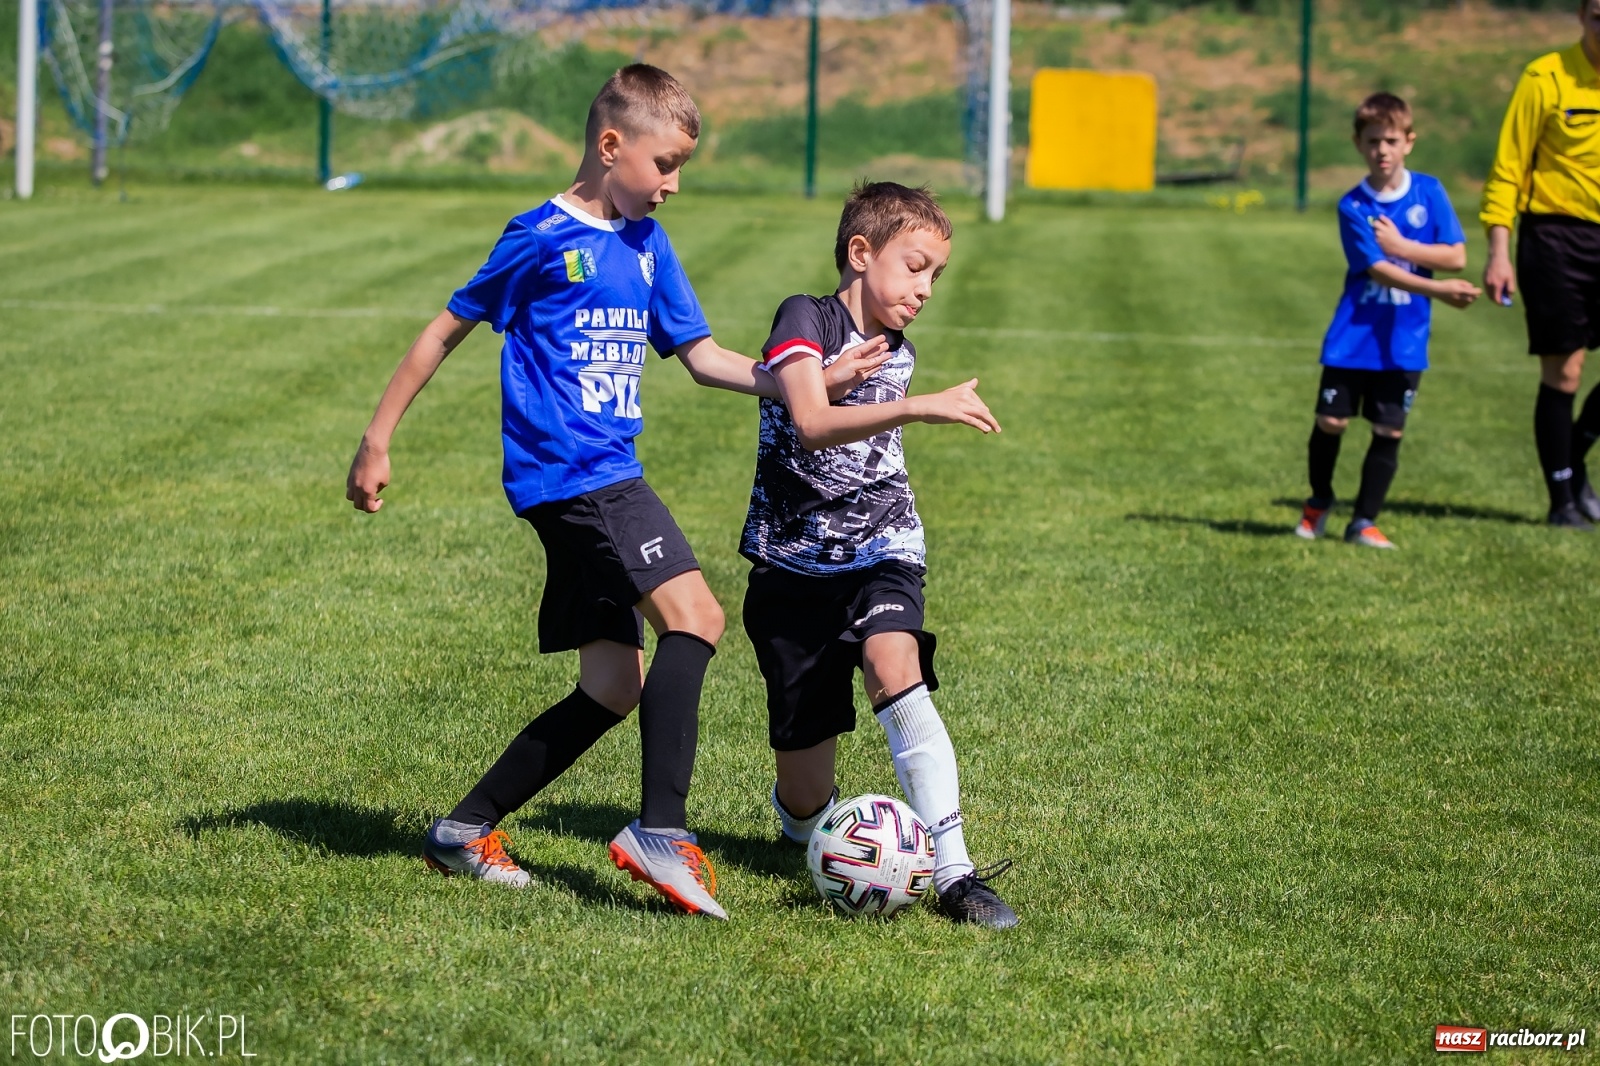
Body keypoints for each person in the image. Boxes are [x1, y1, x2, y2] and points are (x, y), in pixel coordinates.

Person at [344, 65, 885, 920]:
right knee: (697, 617)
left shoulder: (646, 246)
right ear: (611, 146)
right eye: (664, 165)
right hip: (579, 476)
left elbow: (704, 359)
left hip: (593, 479)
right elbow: (445, 329)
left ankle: (462, 829)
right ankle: (662, 833)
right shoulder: (534, 237)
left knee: (612, 686)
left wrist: (803, 378)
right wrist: (377, 438)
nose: (672, 186)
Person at [739, 181, 1018, 929]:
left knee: (895, 663)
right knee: (803, 798)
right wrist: (922, 405)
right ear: (861, 254)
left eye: (936, 275)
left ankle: (956, 872)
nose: (926, 289)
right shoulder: (806, 317)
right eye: (916, 266)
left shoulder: (897, 344)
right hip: (791, 567)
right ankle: (815, 835)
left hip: (883, 549)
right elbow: (809, 422)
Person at [1295, 93, 1480, 549]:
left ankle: (1364, 522)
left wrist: (1404, 248)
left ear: (1409, 142)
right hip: (1352, 337)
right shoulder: (1353, 206)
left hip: (1404, 340)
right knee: (1331, 423)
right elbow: (1376, 268)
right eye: (1373, 140)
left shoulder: (1429, 193)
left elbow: (1456, 255)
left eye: (1391, 140)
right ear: (1358, 143)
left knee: (1389, 429)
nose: (1382, 150)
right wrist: (1436, 287)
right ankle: (1319, 502)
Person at [1481, 0, 1600, 529]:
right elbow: (1508, 168)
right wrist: (1498, 251)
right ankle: (1561, 502)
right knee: (1565, 370)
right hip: (1556, 238)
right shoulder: (1545, 76)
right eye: (1599, 14)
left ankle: (1571, 460)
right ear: (1581, 17)